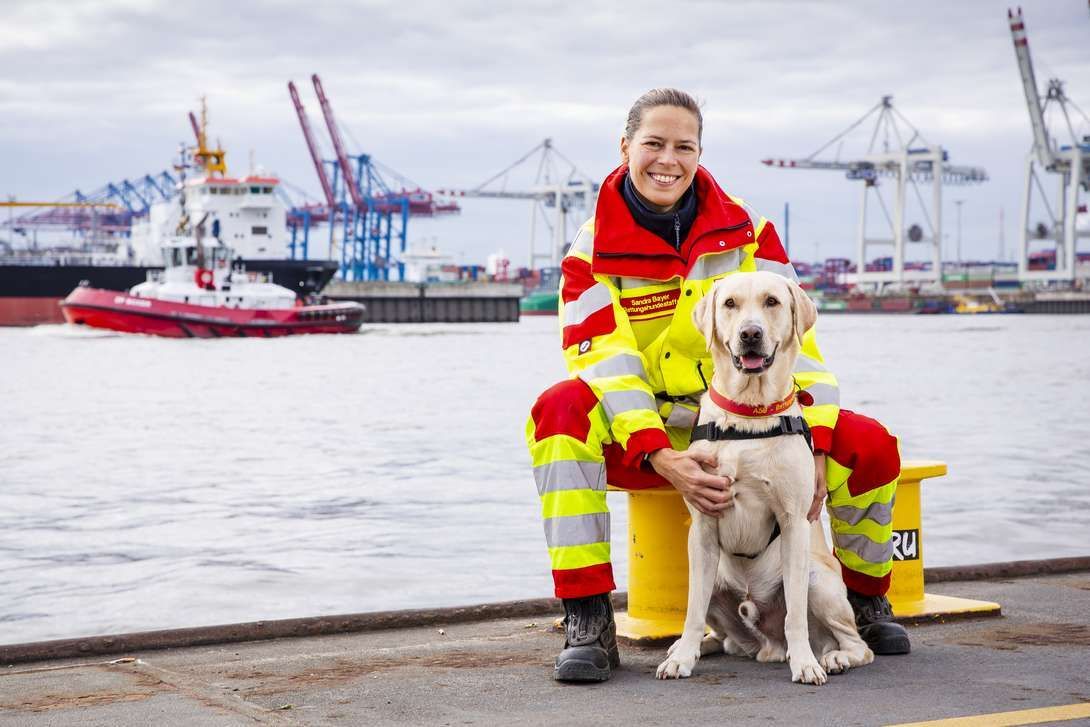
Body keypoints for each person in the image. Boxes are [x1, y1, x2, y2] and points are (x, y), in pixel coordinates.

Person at [525, 88, 909, 683]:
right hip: (645, 434)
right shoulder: (590, 249)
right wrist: (662, 454)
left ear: (700, 152)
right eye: (653, 143)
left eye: (684, 146)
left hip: (757, 420)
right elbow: (605, 362)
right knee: (559, 412)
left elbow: (795, 349)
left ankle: (861, 601)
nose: (667, 160)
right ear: (625, 147)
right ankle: (589, 617)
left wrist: (819, 441)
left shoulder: (749, 231)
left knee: (872, 444)